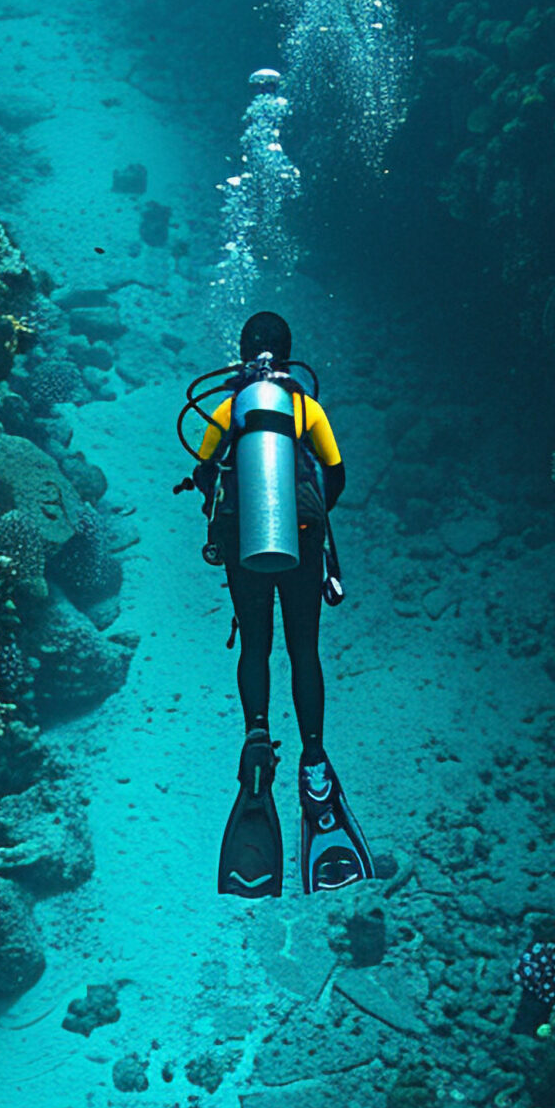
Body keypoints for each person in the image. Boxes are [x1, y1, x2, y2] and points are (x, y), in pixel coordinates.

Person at [177, 310, 376, 896]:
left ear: (242, 353)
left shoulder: (225, 408)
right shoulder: (305, 407)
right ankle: (313, 761)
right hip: (305, 531)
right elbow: (336, 475)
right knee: (303, 649)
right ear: (288, 355)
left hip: (242, 536)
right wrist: (306, 519)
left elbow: (205, 469)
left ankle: (257, 737)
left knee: (257, 645)